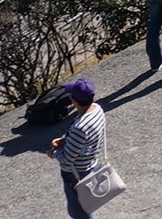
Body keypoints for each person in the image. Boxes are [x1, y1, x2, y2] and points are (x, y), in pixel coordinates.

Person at [49, 80, 109, 219]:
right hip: (91, 164)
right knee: (85, 207)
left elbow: (67, 159)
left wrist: (53, 153)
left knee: (79, 213)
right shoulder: (97, 109)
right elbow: (86, 138)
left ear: (73, 100)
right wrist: (66, 140)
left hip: (75, 174)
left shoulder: (80, 128)